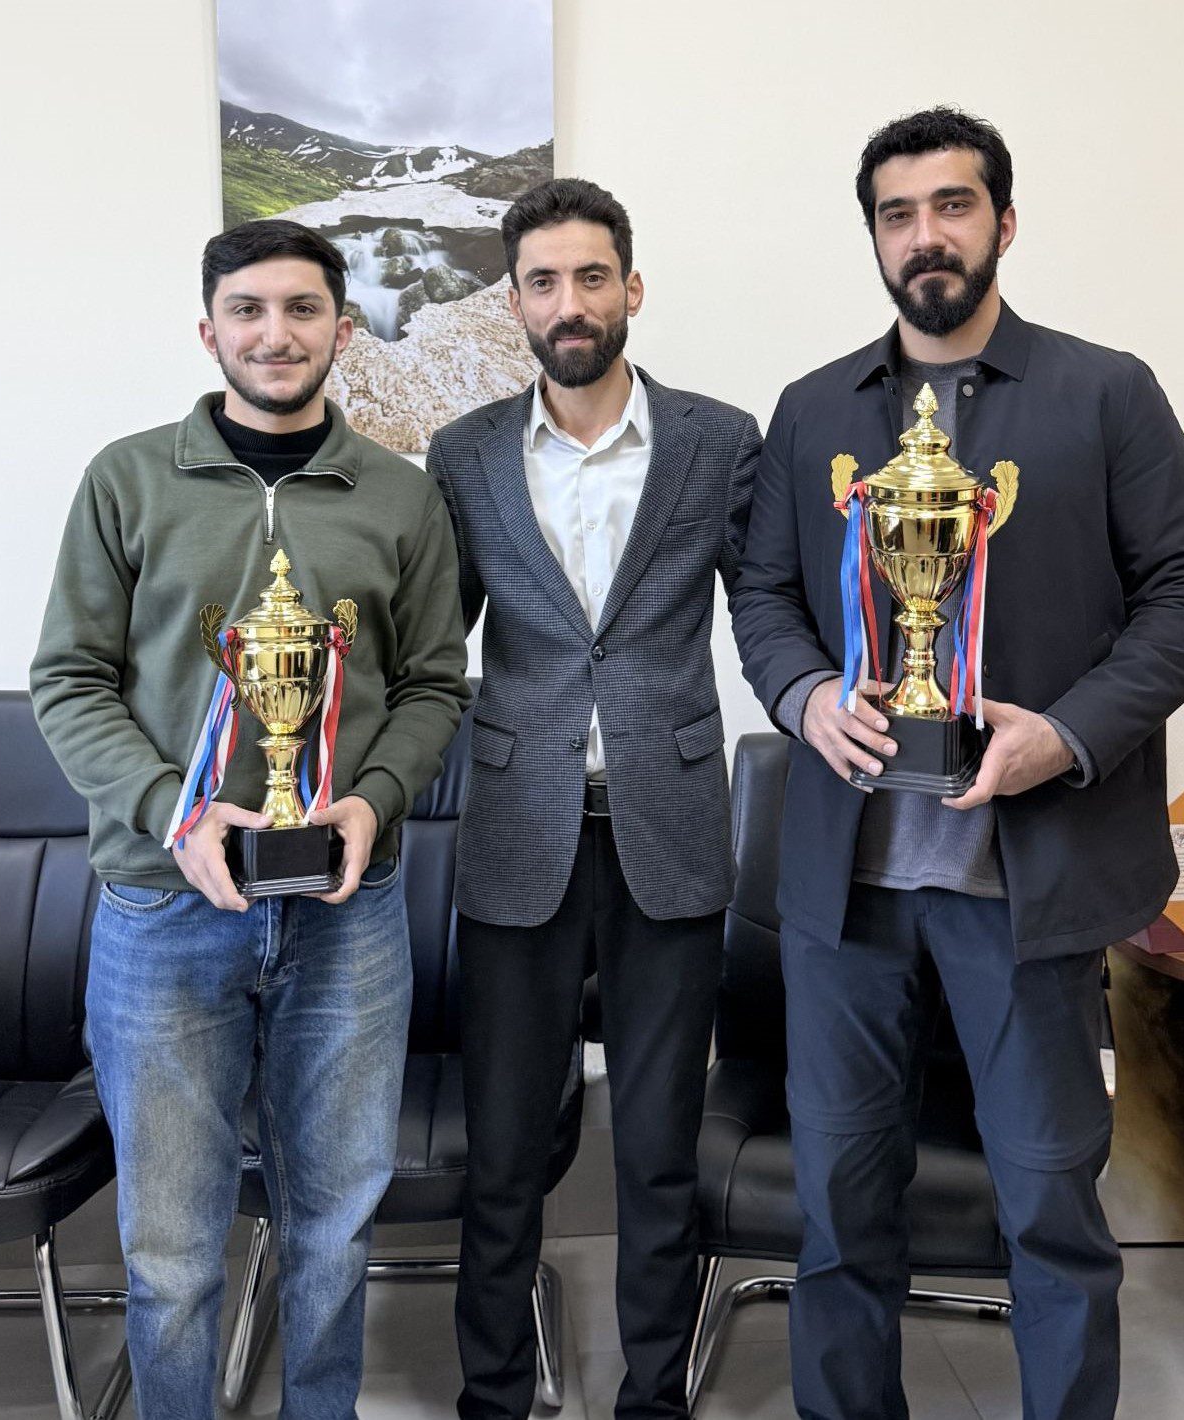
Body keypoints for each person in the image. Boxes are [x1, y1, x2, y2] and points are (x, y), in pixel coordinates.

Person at [730, 108, 1184, 1420]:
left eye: (952, 206)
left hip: (1029, 882)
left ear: (1004, 222)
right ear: (874, 238)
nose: (926, 236)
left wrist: (1062, 734)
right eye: (897, 214)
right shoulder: (813, 411)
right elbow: (765, 593)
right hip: (846, 886)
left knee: (1050, 1205)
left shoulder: (1105, 393)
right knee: (842, 1209)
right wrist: (806, 693)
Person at [30, 218, 470, 1420]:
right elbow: (68, 680)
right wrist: (173, 814)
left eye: (302, 308)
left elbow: (435, 683)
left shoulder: (399, 495)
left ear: (343, 327)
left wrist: (375, 801)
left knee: (334, 1224)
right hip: (165, 908)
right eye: (250, 310)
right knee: (173, 1244)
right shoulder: (127, 479)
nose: (276, 334)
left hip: (345, 910)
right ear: (209, 329)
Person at [427, 177, 761, 1420]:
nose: (569, 303)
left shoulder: (719, 440)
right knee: (504, 1148)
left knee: (659, 1148)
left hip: (666, 826)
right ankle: (493, 1394)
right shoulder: (464, 453)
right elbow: (432, 643)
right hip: (519, 830)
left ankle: (653, 1398)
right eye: (543, 282)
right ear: (514, 302)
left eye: (591, 276)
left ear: (632, 287)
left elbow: (771, 609)